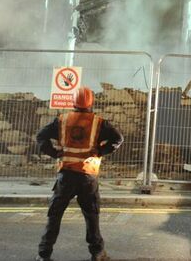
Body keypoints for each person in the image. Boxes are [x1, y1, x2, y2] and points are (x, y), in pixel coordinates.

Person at [35, 86, 123, 261]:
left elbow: (41, 137)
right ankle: (97, 253)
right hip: (87, 177)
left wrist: (54, 153)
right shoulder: (99, 122)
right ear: (91, 102)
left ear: (74, 102)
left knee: (55, 215)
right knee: (92, 216)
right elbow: (117, 139)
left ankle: (44, 254)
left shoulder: (62, 120)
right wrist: (100, 151)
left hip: (66, 175)